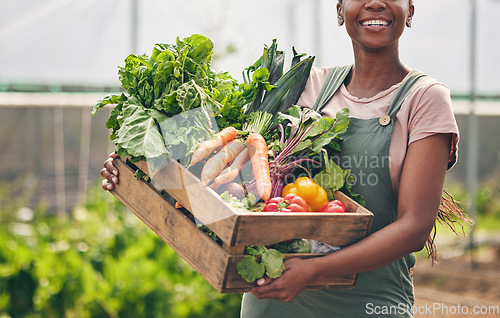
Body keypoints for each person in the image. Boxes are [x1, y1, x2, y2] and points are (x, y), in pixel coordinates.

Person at [101, 0, 470, 316]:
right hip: (273, 302)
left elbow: (415, 228)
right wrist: (139, 169)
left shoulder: (425, 99)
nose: (375, 3)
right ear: (340, 10)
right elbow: (225, 176)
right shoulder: (308, 85)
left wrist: (313, 271)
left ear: (411, 9)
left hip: (368, 303)